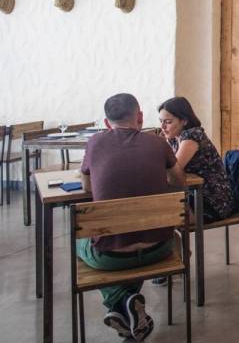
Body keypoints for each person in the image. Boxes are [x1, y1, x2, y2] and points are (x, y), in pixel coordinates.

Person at [78, 93, 186, 341]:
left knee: (78, 240)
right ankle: (129, 308)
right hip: (160, 248)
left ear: (107, 123)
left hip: (111, 258)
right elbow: (179, 181)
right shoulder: (158, 143)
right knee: (130, 237)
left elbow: (86, 188)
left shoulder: (95, 142)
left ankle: (121, 302)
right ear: (140, 117)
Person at [158, 97, 234, 223]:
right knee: (160, 211)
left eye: (168, 122)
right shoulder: (173, 137)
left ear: (184, 121)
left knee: (163, 217)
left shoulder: (192, 136)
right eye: (161, 121)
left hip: (214, 201)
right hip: (196, 194)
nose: (162, 126)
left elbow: (174, 169)